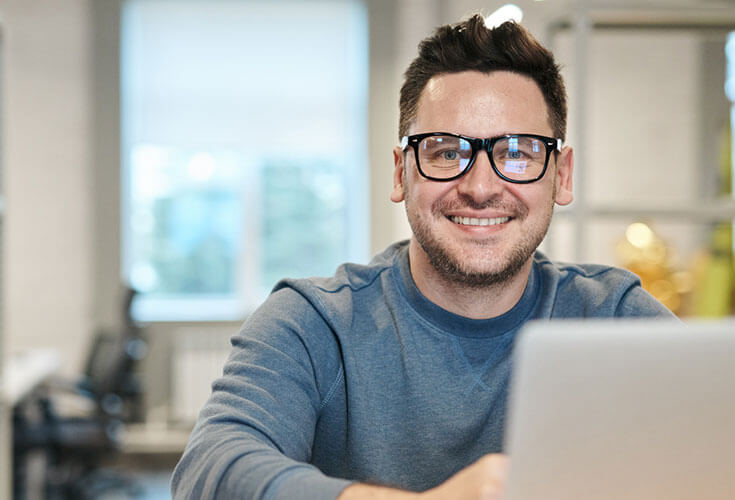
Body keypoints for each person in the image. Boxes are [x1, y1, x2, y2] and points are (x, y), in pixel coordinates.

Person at [171, 15, 675, 500]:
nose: (480, 187)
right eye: (445, 152)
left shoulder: (614, 318)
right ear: (400, 172)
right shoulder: (315, 324)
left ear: (561, 176)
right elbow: (210, 472)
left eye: (517, 152)